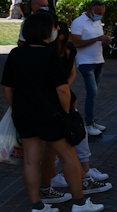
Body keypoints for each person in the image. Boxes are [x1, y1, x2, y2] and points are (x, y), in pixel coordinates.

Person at [1, 11, 104, 212]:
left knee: (30, 160)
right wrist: (66, 113)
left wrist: (16, 107)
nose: (56, 30)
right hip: (51, 113)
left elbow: (6, 86)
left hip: (24, 114)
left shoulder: (15, 53)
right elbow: (62, 89)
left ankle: (37, 206)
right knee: (68, 156)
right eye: (53, 27)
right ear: (46, 31)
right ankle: (80, 202)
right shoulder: (49, 55)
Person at [47, 21, 111, 193]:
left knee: (76, 135)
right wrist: (62, 89)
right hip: (55, 98)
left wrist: (65, 87)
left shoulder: (68, 49)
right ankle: (77, 187)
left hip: (64, 94)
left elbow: (71, 73)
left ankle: (82, 173)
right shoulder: (48, 53)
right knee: (61, 145)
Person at [71, 0, 111, 136]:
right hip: (85, 62)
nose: (100, 16)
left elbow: (98, 40)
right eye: (98, 13)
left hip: (99, 60)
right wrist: (97, 39)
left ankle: (92, 120)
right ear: (90, 10)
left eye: (102, 14)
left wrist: (105, 41)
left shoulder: (97, 21)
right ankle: (87, 123)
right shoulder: (78, 22)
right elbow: (76, 43)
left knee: (93, 93)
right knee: (92, 92)